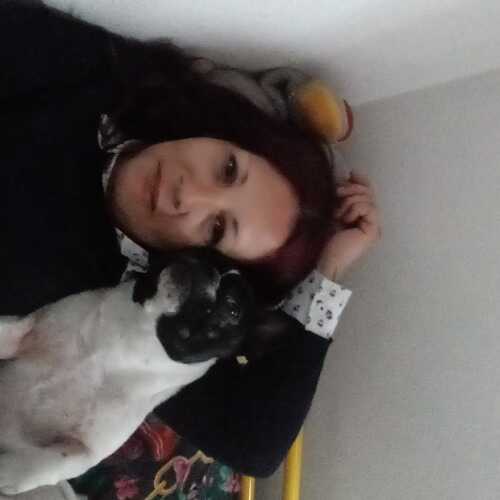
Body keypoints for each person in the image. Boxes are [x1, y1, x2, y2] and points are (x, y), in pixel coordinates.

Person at [1, 0, 381, 481]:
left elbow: (255, 445)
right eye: (227, 169)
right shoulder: (98, 79)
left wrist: (327, 274)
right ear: (224, 134)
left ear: (201, 264)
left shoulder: (120, 308)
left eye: (216, 229)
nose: (189, 194)